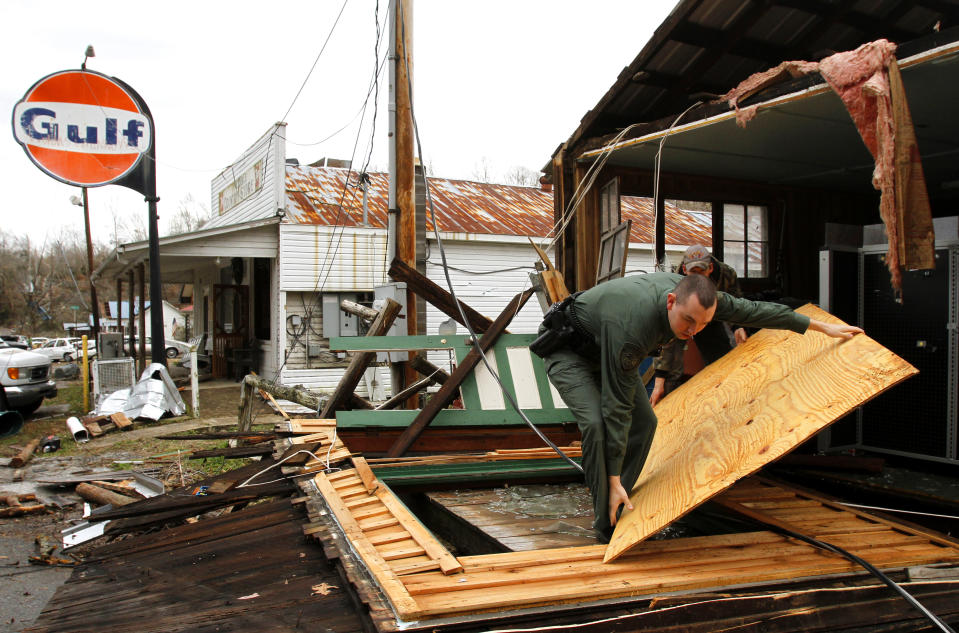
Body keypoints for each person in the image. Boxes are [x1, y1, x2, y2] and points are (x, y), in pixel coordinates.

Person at [533, 272, 862, 543]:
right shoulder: (633, 329)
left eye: (702, 325)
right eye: (688, 321)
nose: (692, 331)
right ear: (671, 301)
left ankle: (620, 500)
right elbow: (616, 412)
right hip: (569, 351)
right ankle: (605, 522)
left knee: (646, 423)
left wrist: (821, 327)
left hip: (607, 345)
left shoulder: (700, 304)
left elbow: (758, 310)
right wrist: (613, 476)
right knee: (596, 424)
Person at [650, 245, 745, 405]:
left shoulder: (726, 275)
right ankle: (668, 403)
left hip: (711, 317)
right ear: (685, 270)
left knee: (721, 360)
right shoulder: (674, 283)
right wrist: (659, 379)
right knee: (672, 367)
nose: (698, 278)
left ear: (710, 268)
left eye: (702, 272)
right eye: (693, 272)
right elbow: (666, 337)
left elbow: (736, 303)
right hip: (683, 318)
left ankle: (725, 398)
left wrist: (738, 326)